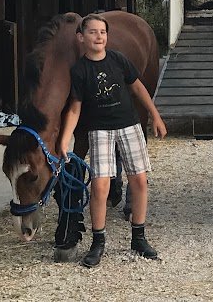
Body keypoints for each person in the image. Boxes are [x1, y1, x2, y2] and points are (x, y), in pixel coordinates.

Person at [57, 14, 167, 267]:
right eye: (93, 32)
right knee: (100, 186)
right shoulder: (79, 71)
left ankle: (138, 237)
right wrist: (64, 140)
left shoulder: (118, 60)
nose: (98, 36)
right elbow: (75, 108)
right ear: (81, 37)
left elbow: (138, 88)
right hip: (100, 131)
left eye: (102, 32)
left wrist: (155, 116)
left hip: (129, 125)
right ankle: (98, 241)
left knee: (139, 179)